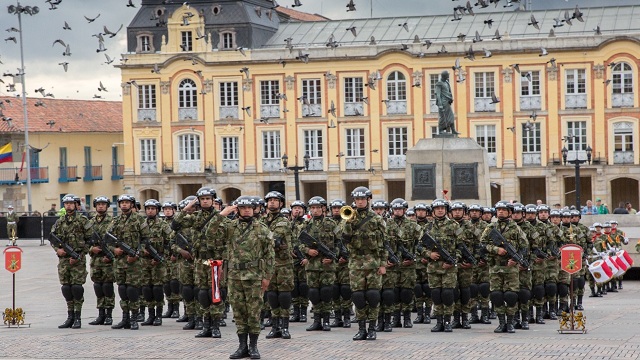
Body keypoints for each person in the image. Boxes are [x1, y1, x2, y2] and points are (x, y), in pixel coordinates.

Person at [216, 196, 274, 360]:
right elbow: (209, 232)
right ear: (238, 210)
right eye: (243, 207)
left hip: (254, 276)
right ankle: (242, 346)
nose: (247, 210)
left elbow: (270, 255)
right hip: (234, 276)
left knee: (254, 312)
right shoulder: (230, 226)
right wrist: (223, 214)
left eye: (250, 207)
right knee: (239, 313)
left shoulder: (261, 228)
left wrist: (267, 277)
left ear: (255, 209)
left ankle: (253, 347)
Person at [342, 186, 387, 340]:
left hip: (373, 262)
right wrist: (349, 222)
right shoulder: (348, 217)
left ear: (368, 200)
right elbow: (344, 238)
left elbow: (385, 243)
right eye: (357, 199)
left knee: (373, 296)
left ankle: (372, 328)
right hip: (355, 263)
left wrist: (383, 264)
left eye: (362, 199)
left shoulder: (377, 219)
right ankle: (362, 329)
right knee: (358, 296)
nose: (360, 202)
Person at [480, 200, 528, 334]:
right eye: (499, 209)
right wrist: (496, 249)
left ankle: (511, 322)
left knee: (511, 295)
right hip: (495, 267)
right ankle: (501, 323)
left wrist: (516, 259)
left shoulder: (516, 228)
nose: (501, 211)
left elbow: (524, 247)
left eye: (504, 209)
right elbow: (482, 245)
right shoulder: (490, 227)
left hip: (511, 268)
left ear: (510, 212)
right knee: (496, 295)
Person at [110, 194, 151, 331]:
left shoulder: (139, 220)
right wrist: (114, 249)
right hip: (120, 261)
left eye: (127, 202)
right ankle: (125, 318)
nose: (124, 205)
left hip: (134, 261)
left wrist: (137, 254)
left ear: (132, 204)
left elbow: (146, 240)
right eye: (122, 203)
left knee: (132, 289)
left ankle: (134, 318)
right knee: (122, 288)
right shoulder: (115, 221)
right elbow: (107, 240)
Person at [51, 194, 91, 329]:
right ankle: (70, 316)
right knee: (66, 288)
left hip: (78, 260)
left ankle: (78, 317)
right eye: (66, 203)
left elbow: (90, 240)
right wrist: (57, 250)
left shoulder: (82, 220)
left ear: (76, 205)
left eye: (71, 203)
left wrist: (80, 255)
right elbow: (53, 238)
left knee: (77, 288)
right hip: (63, 261)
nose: (68, 205)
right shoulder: (60, 222)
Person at [300, 196, 338, 332]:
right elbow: (298, 244)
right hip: (312, 265)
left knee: (326, 292)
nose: (315, 210)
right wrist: (307, 250)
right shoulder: (305, 225)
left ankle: (326, 320)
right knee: (314, 293)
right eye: (312, 208)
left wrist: (333, 258)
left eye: (318, 207)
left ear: (323, 208)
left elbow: (340, 243)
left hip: (327, 264)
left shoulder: (332, 224)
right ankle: (317, 320)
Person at [262, 191, 294, 340]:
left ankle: (285, 327)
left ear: (281, 204)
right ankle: (275, 326)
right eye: (270, 200)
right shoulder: (263, 220)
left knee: (284, 295)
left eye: (276, 200)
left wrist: (261, 237)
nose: (272, 203)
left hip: (283, 264)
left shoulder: (283, 221)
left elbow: (276, 240)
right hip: (269, 264)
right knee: (272, 296)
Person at [139, 199, 172, 327]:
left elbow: (171, 241)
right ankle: (150, 315)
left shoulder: (163, 225)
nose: (150, 211)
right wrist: (143, 251)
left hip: (159, 261)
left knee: (157, 289)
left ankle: (158, 315)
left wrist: (161, 256)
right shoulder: (141, 224)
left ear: (157, 210)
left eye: (153, 208)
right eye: (148, 208)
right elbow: (137, 241)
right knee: (147, 289)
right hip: (145, 261)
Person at [87, 196, 115, 326]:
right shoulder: (90, 223)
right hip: (95, 260)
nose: (101, 206)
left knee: (107, 287)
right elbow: (83, 240)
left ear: (107, 206)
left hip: (108, 259)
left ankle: (109, 314)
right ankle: (101, 314)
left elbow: (117, 239)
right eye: (98, 204)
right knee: (98, 287)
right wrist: (92, 248)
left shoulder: (113, 222)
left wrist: (110, 253)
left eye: (103, 204)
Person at [160, 201, 181, 319]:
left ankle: (176, 308)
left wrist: (175, 253)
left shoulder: (177, 223)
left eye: (170, 209)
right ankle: (170, 307)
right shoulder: (161, 223)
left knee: (174, 282)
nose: (167, 211)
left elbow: (178, 240)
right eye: (166, 209)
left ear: (174, 210)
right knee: (166, 283)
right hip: (164, 257)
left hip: (174, 257)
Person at [435, 70, 457, 135]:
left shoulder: (447, 82)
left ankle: (453, 130)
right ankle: (441, 130)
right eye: (447, 75)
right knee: (442, 117)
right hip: (443, 103)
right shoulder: (439, 83)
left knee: (451, 116)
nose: (448, 76)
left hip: (447, 102)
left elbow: (449, 92)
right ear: (444, 76)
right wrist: (440, 104)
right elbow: (438, 94)